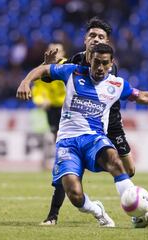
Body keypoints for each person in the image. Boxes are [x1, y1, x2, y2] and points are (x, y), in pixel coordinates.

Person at [16, 43, 148, 227]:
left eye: (104, 63)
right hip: (67, 142)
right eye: (96, 62)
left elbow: (143, 97)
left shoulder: (117, 84)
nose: (100, 67)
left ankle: (139, 216)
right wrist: (25, 82)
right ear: (90, 60)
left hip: (94, 139)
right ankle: (97, 210)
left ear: (111, 63)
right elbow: (44, 69)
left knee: (115, 161)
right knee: (75, 195)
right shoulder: (72, 72)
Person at [40, 17, 137, 226]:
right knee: (68, 166)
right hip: (80, 123)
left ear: (107, 43)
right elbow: (49, 75)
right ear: (85, 40)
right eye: (92, 35)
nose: (95, 39)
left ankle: (135, 207)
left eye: (100, 36)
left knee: (129, 170)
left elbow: (116, 94)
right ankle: (53, 215)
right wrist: (47, 66)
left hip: (111, 123)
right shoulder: (75, 60)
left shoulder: (110, 65)